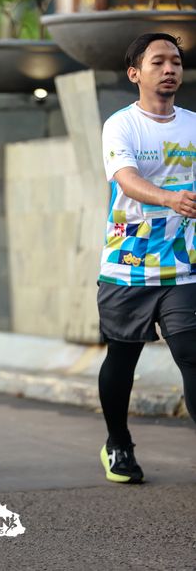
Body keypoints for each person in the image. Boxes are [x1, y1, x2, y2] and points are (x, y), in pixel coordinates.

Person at [98, 32, 196, 484]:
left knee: (191, 353)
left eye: (175, 61)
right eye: (158, 62)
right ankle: (117, 442)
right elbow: (126, 178)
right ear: (135, 73)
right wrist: (171, 198)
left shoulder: (192, 124)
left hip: (183, 264)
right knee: (122, 358)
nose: (170, 68)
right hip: (129, 263)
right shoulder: (121, 125)